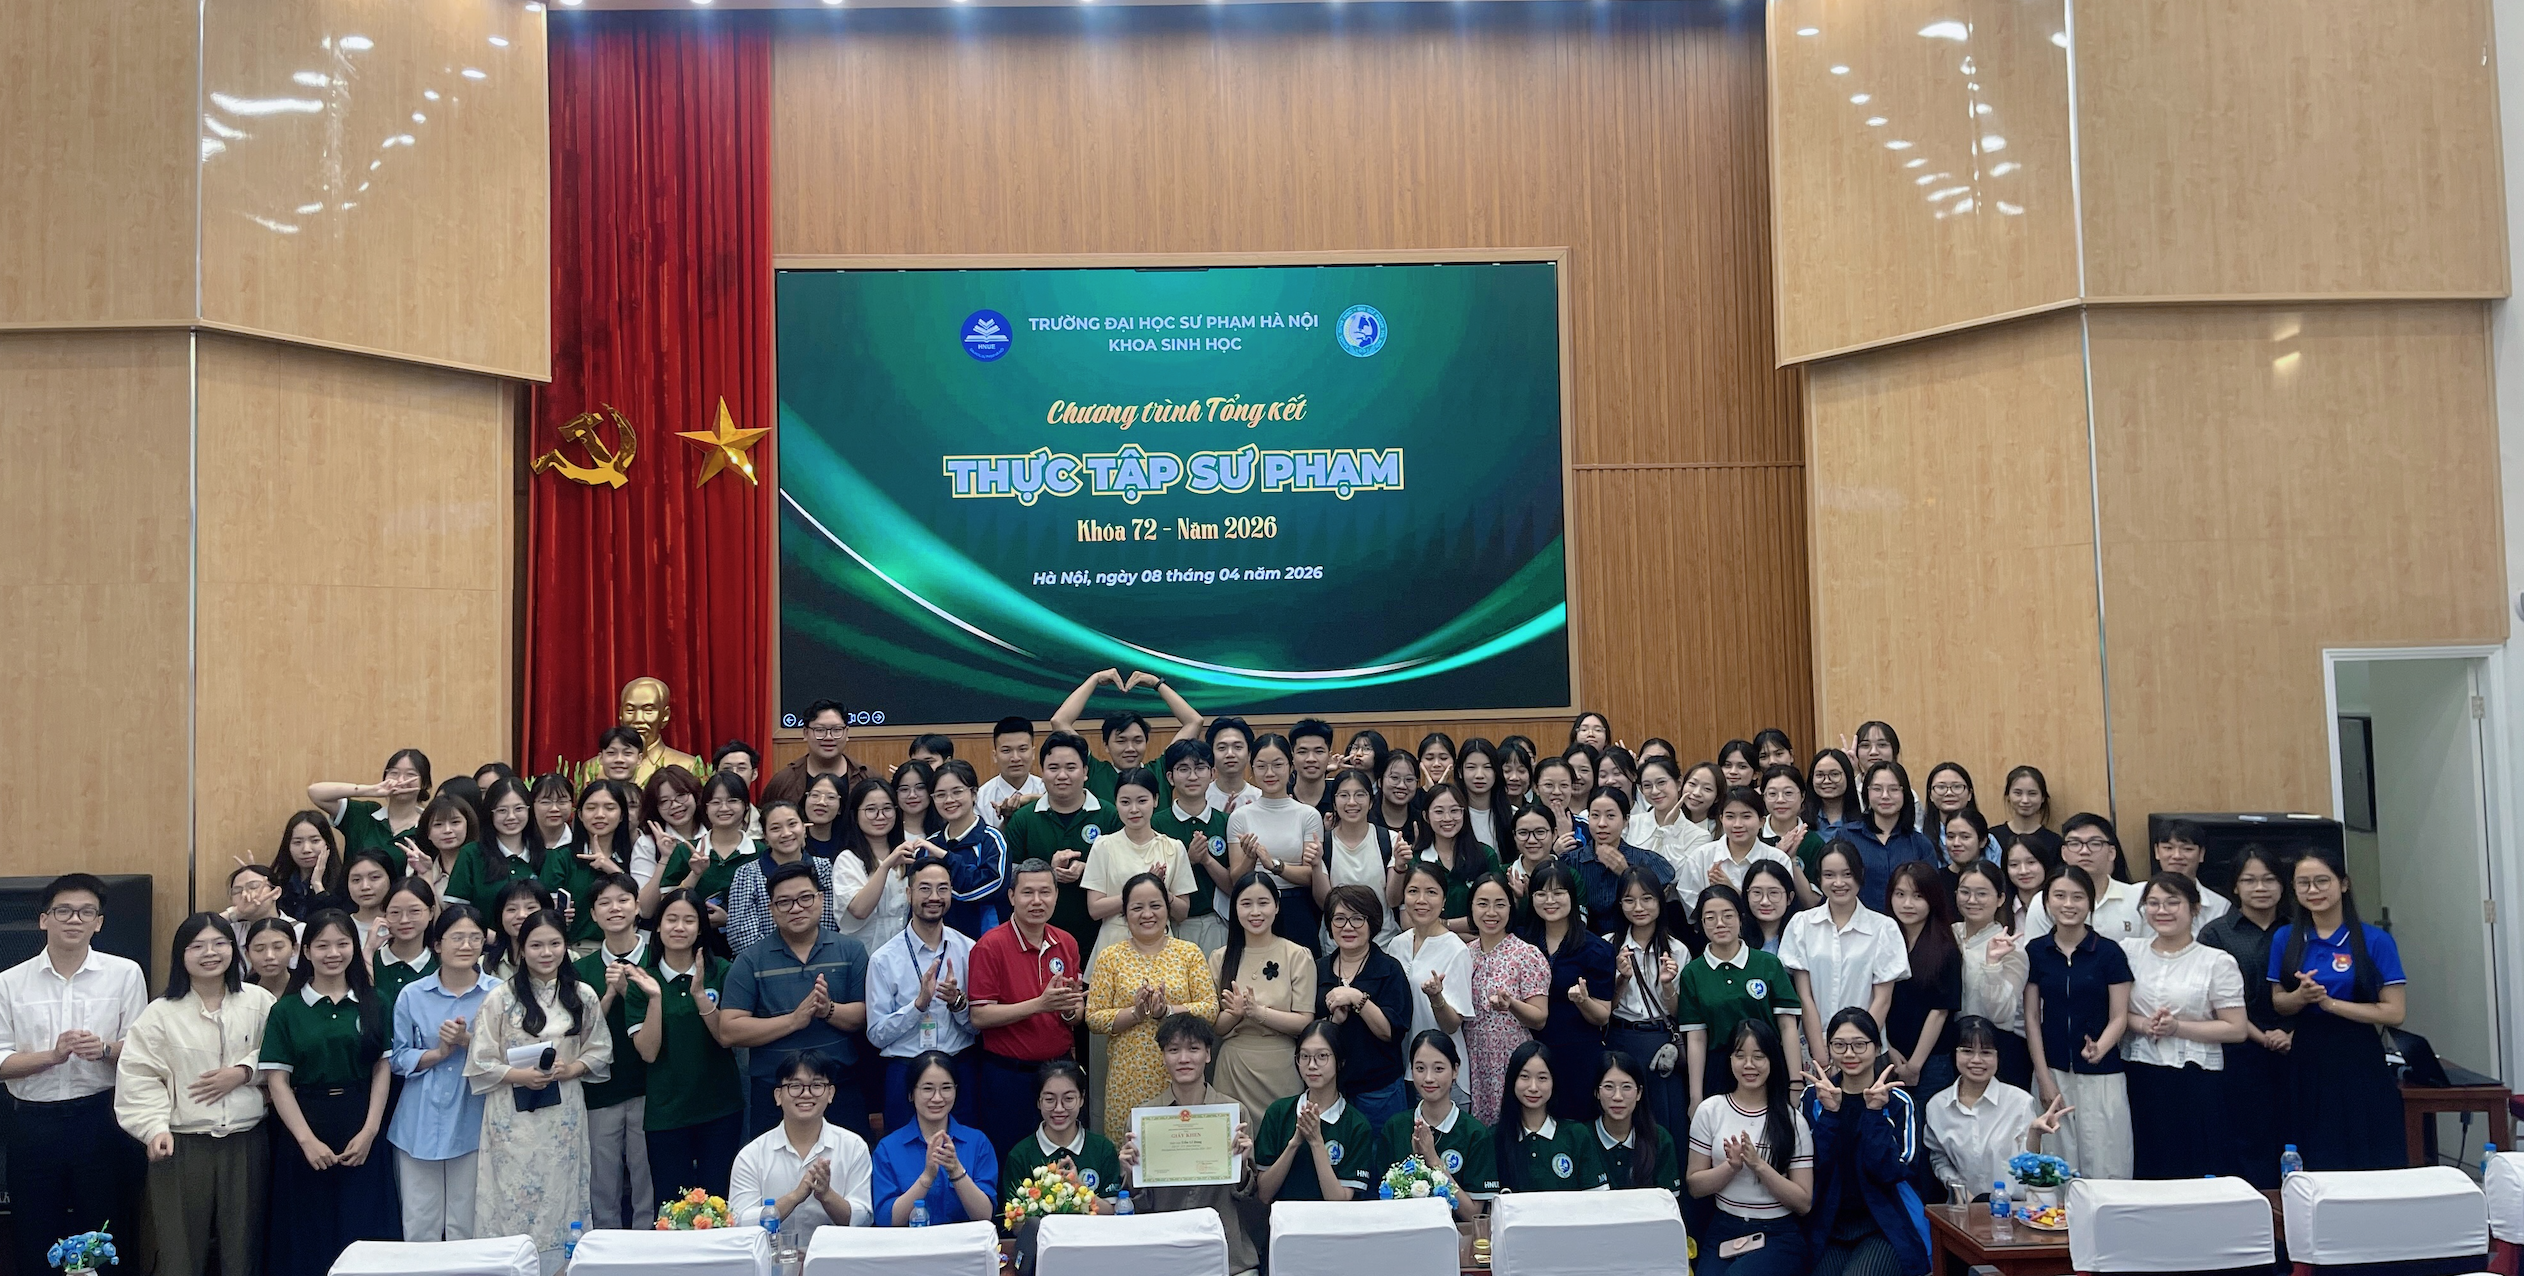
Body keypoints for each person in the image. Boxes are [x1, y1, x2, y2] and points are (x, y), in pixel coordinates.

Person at [115, 912, 273, 1276]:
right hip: (181, 1144)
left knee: (244, 1247)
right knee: (179, 1249)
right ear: (181, 955)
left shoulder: (260, 1001)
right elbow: (139, 1076)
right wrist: (153, 1128)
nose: (210, 953)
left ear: (233, 949)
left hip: (246, 1140)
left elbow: (283, 1055)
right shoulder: (160, 1013)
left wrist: (243, 1072)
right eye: (197, 946)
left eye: (219, 943)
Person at [468, 909, 611, 1270]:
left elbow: (599, 1048)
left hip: (563, 1111)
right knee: (509, 1193)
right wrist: (521, 1075)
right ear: (521, 948)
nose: (546, 953)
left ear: (566, 946)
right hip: (510, 1112)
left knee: (562, 1192)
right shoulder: (500, 998)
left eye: (554, 944)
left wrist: (572, 1068)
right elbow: (480, 1059)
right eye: (536, 945)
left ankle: (561, 1268)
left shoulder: (583, 995)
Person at [259, 910, 399, 1276]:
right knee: (307, 1230)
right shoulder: (287, 1009)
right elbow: (278, 1081)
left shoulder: (375, 1001)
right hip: (305, 1122)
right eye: (322, 945)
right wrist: (307, 1141)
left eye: (342, 943)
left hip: (361, 1119)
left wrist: (370, 1132)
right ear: (306, 952)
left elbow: (381, 1068)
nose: (333, 953)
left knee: (364, 1223)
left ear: (354, 946)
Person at [2268, 847, 2408, 1170]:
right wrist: (2302, 996)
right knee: (2313, 1145)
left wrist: (2330, 1004)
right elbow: (2278, 1001)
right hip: (2306, 1053)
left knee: (2363, 1146)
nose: (2313, 890)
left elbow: (2394, 1013)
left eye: (2322, 881)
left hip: (2358, 1052)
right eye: (2303, 883)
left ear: (2343, 884)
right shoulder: (2285, 938)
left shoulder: (2375, 940)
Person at [717, 862, 872, 1137]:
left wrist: (828, 1010)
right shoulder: (750, 960)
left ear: (821, 899)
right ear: (771, 909)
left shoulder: (851, 951)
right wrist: (793, 1021)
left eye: (805, 898)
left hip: (839, 1086)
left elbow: (864, 1016)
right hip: (775, 1091)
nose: (796, 908)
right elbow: (729, 1030)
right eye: (784, 902)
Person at [2122, 873, 2247, 1179]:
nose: (2161, 911)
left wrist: (2176, 1027)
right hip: (2140, 1072)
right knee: (2147, 1166)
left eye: (2172, 902)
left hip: (2195, 1079)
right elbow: (2116, 1012)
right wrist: (2143, 1024)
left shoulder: (2216, 961)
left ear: (2194, 908)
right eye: (2153, 903)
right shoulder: (2129, 952)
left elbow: (2236, 1028)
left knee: (2194, 1166)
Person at [388, 903, 498, 1242]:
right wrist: (438, 1053)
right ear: (437, 944)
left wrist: (468, 1041)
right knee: (420, 1221)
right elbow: (397, 1057)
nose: (466, 946)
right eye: (457, 938)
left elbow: (509, 1055)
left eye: (474, 938)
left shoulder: (499, 993)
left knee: (468, 1222)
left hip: (476, 1114)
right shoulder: (412, 994)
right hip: (419, 1118)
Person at [627, 888, 746, 1200]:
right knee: (670, 1206)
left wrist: (700, 996)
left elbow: (726, 1038)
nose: (679, 927)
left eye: (689, 920)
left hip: (720, 1107)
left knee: (718, 1203)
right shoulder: (642, 980)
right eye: (671, 919)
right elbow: (648, 1052)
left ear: (701, 928)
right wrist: (655, 998)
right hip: (666, 1113)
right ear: (658, 926)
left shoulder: (722, 971)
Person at [1115, 1016, 1258, 1272]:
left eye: (1193, 1049)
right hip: (1164, 1250)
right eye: (1173, 1050)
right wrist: (1131, 1172)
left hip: (1227, 1254)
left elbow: (1248, 1199)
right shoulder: (1143, 1119)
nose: (1184, 1059)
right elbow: (1139, 1205)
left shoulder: (1234, 1114)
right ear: (1163, 1056)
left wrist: (1243, 1165)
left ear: (1208, 1054)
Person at [965, 859, 1087, 1153]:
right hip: (1009, 1076)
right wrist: (1039, 1005)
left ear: (1056, 895)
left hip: (1059, 1072)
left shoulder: (1066, 942)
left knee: (1063, 1160)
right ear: (1011, 897)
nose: (1037, 901)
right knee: (1011, 1158)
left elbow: (1075, 1016)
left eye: (1045, 892)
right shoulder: (989, 946)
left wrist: (1069, 1009)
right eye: (1027, 893)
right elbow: (979, 1016)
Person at [1797, 1008, 1929, 1276]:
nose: (1849, 1054)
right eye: (1839, 1045)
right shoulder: (1814, 1098)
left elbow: (1891, 1171)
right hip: (1828, 1223)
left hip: (1884, 1224)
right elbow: (1813, 1170)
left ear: (1877, 1047)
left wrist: (1874, 1114)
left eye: (1859, 1045)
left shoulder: (1898, 1101)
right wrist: (1830, 1115)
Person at [2023, 864, 2133, 1180]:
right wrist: (2043, 1077)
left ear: (2090, 902)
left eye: (2078, 897)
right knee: (2055, 1164)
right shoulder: (2036, 951)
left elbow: (2120, 1015)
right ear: (2047, 902)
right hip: (2053, 1071)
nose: (2068, 904)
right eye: (2059, 896)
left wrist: (2101, 1047)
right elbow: (2031, 1016)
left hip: (2103, 1075)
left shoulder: (2109, 952)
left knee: (2107, 1161)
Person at [1086, 873, 1218, 1134]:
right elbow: (1094, 1017)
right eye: (1137, 907)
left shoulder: (1189, 953)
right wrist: (1135, 1014)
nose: (1147, 914)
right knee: (1132, 1149)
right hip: (1128, 1076)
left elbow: (1210, 1009)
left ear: (1167, 909)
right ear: (1124, 913)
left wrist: (1167, 1011)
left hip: (1182, 1074)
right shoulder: (1110, 957)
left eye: (1155, 905)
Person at [2198, 845, 2293, 1186]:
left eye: (2269, 879)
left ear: (2282, 884)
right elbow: (2211, 998)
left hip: (2296, 1047)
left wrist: (2290, 1033)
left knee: (2295, 1134)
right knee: (2246, 1139)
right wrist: (2260, 1036)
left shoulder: (2300, 929)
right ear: (2235, 887)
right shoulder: (2215, 933)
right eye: (2249, 880)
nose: (2260, 888)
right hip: (2239, 1051)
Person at [1687, 1021, 1813, 1276]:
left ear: (1772, 1060)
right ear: (1729, 1059)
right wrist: (1731, 1167)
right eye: (1740, 1056)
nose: (1749, 1065)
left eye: (1758, 1057)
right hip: (1724, 1227)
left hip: (1777, 1233)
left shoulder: (1792, 1120)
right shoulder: (1711, 1110)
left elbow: (1803, 1202)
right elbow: (1695, 1186)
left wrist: (1758, 1166)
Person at [865, 860, 977, 1129]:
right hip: (905, 1070)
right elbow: (876, 1034)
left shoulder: (969, 950)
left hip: (958, 1067)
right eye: (925, 888)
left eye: (943, 889)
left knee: (963, 1147)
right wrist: (918, 1006)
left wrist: (958, 1003)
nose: (934, 897)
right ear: (909, 893)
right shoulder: (883, 959)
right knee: (904, 1151)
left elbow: (978, 1027)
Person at [1780, 842, 1908, 1068]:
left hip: (1867, 1051)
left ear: (1860, 875)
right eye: (1829, 875)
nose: (1838, 883)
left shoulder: (1883, 928)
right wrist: (1821, 1052)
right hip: (1815, 1048)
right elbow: (1804, 995)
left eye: (1847, 874)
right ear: (1819, 878)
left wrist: (1857, 1047)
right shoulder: (1802, 924)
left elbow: (1882, 999)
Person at [575, 874, 653, 1230]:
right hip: (600, 1092)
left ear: (637, 907)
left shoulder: (658, 957)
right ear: (593, 914)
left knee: (647, 1180)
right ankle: (603, 1248)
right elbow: (575, 1033)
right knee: (601, 1184)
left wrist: (628, 992)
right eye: (604, 903)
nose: (614, 908)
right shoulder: (580, 970)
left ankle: (648, 1246)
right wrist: (608, 997)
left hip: (650, 1087)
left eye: (623, 900)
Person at [1923, 1015, 2068, 1205]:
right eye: (1967, 1051)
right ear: (1954, 1053)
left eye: (1986, 1052)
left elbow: (2029, 1164)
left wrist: (2035, 1134)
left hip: (2016, 1206)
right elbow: (1939, 1158)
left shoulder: (2019, 1102)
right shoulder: (1937, 1106)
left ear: (1998, 1056)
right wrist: (1958, 1188)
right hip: (1965, 1208)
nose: (1976, 1060)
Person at [1681, 884, 1805, 1105]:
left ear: (1741, 919)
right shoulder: (1693, 972)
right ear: (1701, 924)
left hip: (1768, 1064)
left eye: (1728, 915)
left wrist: (1795, 1082)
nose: (1720, 923)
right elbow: (1697, 1038)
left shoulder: (1768, 964)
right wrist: (1695, 1097)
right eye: (1710, 917)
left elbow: (1787, 1027)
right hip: (1719, 1068)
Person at [731, 1050, 873, 1242]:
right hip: (770, 1257)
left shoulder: (853, 1147)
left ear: (830, 1093)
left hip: (834, 1256)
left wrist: (827, 1196)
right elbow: (740, 1222)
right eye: (795, 1086)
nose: (806, 1094)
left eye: (816, 1085)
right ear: (778, 1096)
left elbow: (862, 1220)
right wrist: (794, 1197)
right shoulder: (751, 1155)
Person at [1210, 872, 1318, 1119]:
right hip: (1234, 1067)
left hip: (1282, 1066)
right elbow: (1215, 1026)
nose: (1255, 912)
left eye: (1263, 903)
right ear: (1235, 908)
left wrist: (1259, 1013)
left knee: (1281, 1134)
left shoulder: (1297, 955)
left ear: (1277, 906)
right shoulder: (1220, 958)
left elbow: (1304, 1021)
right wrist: (1236, 1014)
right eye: (1246, 904)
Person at [1518, 861, 1613, 1123]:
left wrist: (1583, 1001)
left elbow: (1602, 1015)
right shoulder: (1521, 942)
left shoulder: (1596, 949)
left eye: (1558, 893)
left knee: (1576, 1127)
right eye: (1541, 893)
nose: (1550, 901)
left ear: (1573, 897)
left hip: (1578, 1055)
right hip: (1530, 1053)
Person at [1317, 883, 1415, 1127]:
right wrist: (1332, 1022)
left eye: (1357, 918)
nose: (1348, 927)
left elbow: (1390, 1032)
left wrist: (1357, 998)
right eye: (1339, 919)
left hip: (1379, 1090)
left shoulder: (1389, 969)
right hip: (1328, 1090)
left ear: (1372, 922)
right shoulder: (1318, 969)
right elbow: (1308, 1029)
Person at [1001, 731, 1107, 950]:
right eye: (1053, 768)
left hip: (1099, 934)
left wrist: (1089, 870)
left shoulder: (1108, 815)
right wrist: (1047, 872)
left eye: (1071, 767)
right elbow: (1007, 877)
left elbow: (1124, 873)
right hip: (1036, 936)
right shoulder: (1023, 819)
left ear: (1085, 772)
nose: (1062, 775)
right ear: (1042, 772)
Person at [1604, 868, 1690, 1135]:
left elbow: (1678, 1012)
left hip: (1661, 1042)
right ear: (1620, 904)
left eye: (1647, 898)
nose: (1638, 907)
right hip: (1621, 1039)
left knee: (1665, 1122)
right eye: (1629, 900)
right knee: (1623, 1121)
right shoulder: (1608, 946)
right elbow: (1604, 1011)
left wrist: (1667, 985)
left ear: (1660, 901)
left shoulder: (1677, 950)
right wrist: (1622, 979)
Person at [1254, 1022, 1382, 1203]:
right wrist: (1294, 1143)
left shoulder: (1356, 1125)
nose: (1312, 1065)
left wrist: (1316, 1142)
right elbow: (1264, 1194)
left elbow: (1339, 1202)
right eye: (1304, 1056)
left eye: (1322, 1056)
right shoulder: (1279, 1112)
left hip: (1330, 1220)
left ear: (1340, 1061)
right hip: (1285, 1218)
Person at [1383, 862, 1476, 1097]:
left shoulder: (1456, 949)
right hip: (1404, 1069)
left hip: (1443, 1073)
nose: (1421, 900)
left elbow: (1452, 1025)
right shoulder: (1397, 945)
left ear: (1444, 901)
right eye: (1413, 891)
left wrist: (1436, 997)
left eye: (1431, 892)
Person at [872, 1050, 997, 1225]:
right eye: (927, 1089)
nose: (937, 1098)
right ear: (911, 1093)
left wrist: (956, 1171)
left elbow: (985, 1215)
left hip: (963, 1240)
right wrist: (926, 1178)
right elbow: (886, 1220)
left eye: (946, 1088)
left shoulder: (977, 1142)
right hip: (911, 1241)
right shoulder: (888, 1148)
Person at [1379, 1031, 1497, 1216]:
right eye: (1420, 1068)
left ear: (1455, 1070)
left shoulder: (1475, 1133)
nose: (1428, 1078)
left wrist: (1433, 1160)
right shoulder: (1395, 1127)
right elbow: (1382, 1201)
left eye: (1439, 1069)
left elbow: (1474, 1214)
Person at [1047, 667, 1207, 803]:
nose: (1130, 748)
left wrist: (1156, 683)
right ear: (1106, 745)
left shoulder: (1161, 770)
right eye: (1121, 741)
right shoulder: (1093, 772)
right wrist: (1094, 679)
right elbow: (1059, 721)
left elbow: (1194, 721)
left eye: (1138, 740)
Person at [1464, 873, 1549, 1124]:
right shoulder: (1465, 954)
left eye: (1500, 904)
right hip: (1472, 1057)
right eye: (1483, 903)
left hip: (1511, 1057)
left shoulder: (1527, 954)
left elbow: (1540, 1018)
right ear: (1471, 907)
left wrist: (1511, 1004)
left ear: (1511, 908)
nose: (1491, 912)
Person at [1081, 766, 1195, 953]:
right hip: (1114, 942)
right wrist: (1141, 889)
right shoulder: (1103, 846)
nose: (1134, 809)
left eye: (1142, 801)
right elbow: (1095, 909)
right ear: (1116, 803)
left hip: (1160, 942)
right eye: (1125, 802)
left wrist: (1159, 889)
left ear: (1155, 800)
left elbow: (1182, 912)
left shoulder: (1173, 847)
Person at [1233, 736, 1324, 948]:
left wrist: (1274, 865)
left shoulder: (1308, 815)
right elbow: (1235, 880)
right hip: (1253, 908)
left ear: (1291, 767)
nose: (1270, 773)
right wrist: (1250, 858)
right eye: (1261, 766)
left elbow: (1312, 874)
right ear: (1251, 770)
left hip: (1297, 906)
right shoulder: (1240, 817)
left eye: (1277, 765)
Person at [1950, 862, 2033, 1089]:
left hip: (1995, 1049)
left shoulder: (2011, 948)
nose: (1972, 900)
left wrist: (1992, 965)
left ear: (2000, 899)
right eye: (1965, 892)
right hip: (1950, 1045)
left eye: (1982, 894)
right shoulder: (1947, 935)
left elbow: (2002, 1013)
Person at [998, 1060, 1122, 1210]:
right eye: (1049, 1100)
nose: (1059, 1108)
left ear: (1082, 1099)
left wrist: (1079, 1187)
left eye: (1068, 1099)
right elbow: (1013, 1218)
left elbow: (1113, 1212)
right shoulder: (1020, 1155)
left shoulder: (1102, 1149)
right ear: (1038, 1102)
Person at [644, 769, 760, 928]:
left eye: (732, 800)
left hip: (747, 940)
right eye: (715, 802)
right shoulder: (685, 850)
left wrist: (729, 921)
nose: (724, 808)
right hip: (693, 938)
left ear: (746, 805)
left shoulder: (759, 851)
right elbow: (667, 905)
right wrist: (695, 874)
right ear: (705, 807)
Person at [1883, 863, 1961, 1100]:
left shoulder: (1945, 948)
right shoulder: (1881, 940)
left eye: (1918, 896)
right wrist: (1887, 1047)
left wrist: (1914, 1065)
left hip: (1932, 1060)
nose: (1907, 904)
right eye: (1900, 894)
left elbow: (1940, 1011)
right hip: (1887, 1054)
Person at [725, 800, 841, 954]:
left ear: (804, 827)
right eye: (775, 828)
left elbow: (832, 922)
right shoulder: (747, 874)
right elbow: (741, 936)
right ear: (765, 836)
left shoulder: (824, 868)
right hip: (765, 962)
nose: (786, 833)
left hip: (822, 957)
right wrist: (781, 959)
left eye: (792, 824)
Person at [1152, 739, 1233, 954]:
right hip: (1170, 924)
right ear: (1170, 777)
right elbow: (1151, 881)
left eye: (1200, 768)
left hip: (1217, 922)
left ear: (1213, 773)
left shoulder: (1226, 822)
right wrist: (1187, 860)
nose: (1192, 776)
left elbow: (1233, 886)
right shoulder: (1156, 823)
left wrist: (1206, 859)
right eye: (1183, 769)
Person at [1494, 1041, 1610, 1192]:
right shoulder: (1495, 1137)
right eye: (1524, 1076)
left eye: (1542, 1078)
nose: (1533, 1087)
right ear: (1512, 1080)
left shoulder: (1576, 1135)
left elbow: (1598, 1197)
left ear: (1553, 1082)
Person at [1394, 782, 1500, 935]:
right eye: (1439, 811)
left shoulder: (1485, 855)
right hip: (1428, 943)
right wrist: (1457, 935)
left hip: (1479, 942)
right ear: (1426, 816)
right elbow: (1408, 922)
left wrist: (1443, 925)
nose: (1447, 818)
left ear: (1464, 813)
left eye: (1455, 810)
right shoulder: (1415, 859)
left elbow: (1495, 911)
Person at [929, 759, 1013, 939]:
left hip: (983, 942)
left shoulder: (993, 840)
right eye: (940, 794)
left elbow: (989, 887)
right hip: (936, 943)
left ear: (974, 794)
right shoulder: (929, 845)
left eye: (957, 792)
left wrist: (946, 858)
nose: (949, 800)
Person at [1680, 787, 1796, 914]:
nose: (1737, 824)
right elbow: (1689, 900)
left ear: (1761, 821)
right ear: (1721, 819)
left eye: (1746, 816)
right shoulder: (1701, 856)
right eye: (1730, 816)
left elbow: (1781, 905)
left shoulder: (1778, 859)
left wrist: (1733, 892)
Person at [1574, 786, 1674, 931]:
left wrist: (1627, 873)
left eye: (1610, 816)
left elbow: (1659, 898)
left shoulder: (1647, 860)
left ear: (1626, 820)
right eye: (1595, 815)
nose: (1602, 823)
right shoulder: (1572, 861)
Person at [832, 777, 913, 954]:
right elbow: (859, 910)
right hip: (861, 953)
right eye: (871, 810)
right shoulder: (848, 859)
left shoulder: (906, 852)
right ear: (855, 815)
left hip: (901, 952)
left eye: (887, 809)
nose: (880, 816)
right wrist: (885, 866)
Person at [1845, 764, 1936, 913]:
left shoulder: (1921, 844)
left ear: (1905, 793)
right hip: (1858, 923)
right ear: (1866, 793)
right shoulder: (1847, 837)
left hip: (1907, 924)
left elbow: (1932, 895)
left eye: (1893, 789)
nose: (1885, 795)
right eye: (1877, 789)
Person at [451, 776, 545, 919]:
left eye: (519, 809)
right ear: (490, 813)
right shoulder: (471, 854)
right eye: (502, 810)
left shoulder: (546, 854)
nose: (511, 816)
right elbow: (456, 911)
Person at [1317, 766, 1392, 944]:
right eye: (1343, 795)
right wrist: (1315, 864)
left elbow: (1394, 899)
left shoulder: (1390, 840)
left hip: (1383, 942)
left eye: (1360, 795)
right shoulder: (1323, 845)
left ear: (1371, 801)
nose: (1352, 802)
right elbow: (1325, 902)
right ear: (1334, 803)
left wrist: (1401, 867)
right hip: (1337, 943)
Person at [309, 749, 432, 856]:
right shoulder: (364, 814)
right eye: (394, 773)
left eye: (410, 774)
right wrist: (372, 790)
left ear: (424, 783)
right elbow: (315, 793)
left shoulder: (429, 824)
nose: (400, 780)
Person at [1594, 1050, 1681, 1199]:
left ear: (1639, 1093)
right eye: (1608, 1087)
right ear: (1596, 1092)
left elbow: (1668, 1203)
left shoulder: (1660, 1138)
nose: (1617, 1097)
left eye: (1627, 1087)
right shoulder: (1582, 1137)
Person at [761, 698, 872, 810]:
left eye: (837, 729)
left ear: (846, 733)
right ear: (805, 733)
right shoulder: (783, 782)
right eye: (819, 730)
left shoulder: (867, 777)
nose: (828, 737)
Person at [2061, 814, 2144, 942]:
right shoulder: (2045, 901)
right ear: (2064, 853)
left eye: (2095, 843)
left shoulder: (2137, 898)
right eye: (2075, 843)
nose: (2084, 851)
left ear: (2111, 853)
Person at [372, 877, 439, 1018]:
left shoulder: (440, 965)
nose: (404, 920)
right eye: (395, 912)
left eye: (414, 911)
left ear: (431, 913)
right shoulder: (371, 960)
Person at [2151, 820, 2232, 931]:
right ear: (2157, 851)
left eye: (2187, 849)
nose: (2177, 856)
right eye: (2168, 848)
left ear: (2201, 854)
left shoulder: (2220, 906)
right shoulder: (2135, 895)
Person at [272, 810, 350, 921]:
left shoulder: (345, 883)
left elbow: (336, 924)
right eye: (297, 842)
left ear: (327, 843)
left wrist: (317, 885)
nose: (306, 849)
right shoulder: (279, 883)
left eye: (315, 841)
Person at [394, 793, 476, 896]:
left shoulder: (483, 862)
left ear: (468, 825)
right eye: (438, 824)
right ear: (427, 833)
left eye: (455, 822)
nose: (447, 830)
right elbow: (428, 906)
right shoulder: (420, 866)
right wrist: (426, 875)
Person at [1998, 767, 2063, 863]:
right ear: (2008, 796)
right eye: (2018, 793)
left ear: (2043, 798)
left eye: (2032, 793)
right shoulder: (1993, 838)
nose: (2025, 800)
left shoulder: (2054, 841)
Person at [1803, 750, 1863, 850]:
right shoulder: (1800, 821)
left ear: (1848, 776)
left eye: (1834, 774)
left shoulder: (1863, 820)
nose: (1827, 781)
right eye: (1819, 775)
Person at [2001, 834, 2056, 941]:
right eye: (2014, 864)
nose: (2023, 871)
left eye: (2031, 862)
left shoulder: (2058, 906)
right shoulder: (1999, 910)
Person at [1742, 860, 1799, 954]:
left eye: (1774, 893)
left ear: (1790, 898)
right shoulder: (1736, 937)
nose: (1765, 902)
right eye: (1757, 892)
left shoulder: (1801, 936)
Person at [246, 917, 299, 1000]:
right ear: (247, 955)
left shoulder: (308, 989)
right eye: (259, 949)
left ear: (294, 949)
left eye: (278, 947)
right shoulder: (243, 993)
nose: (269, 956)